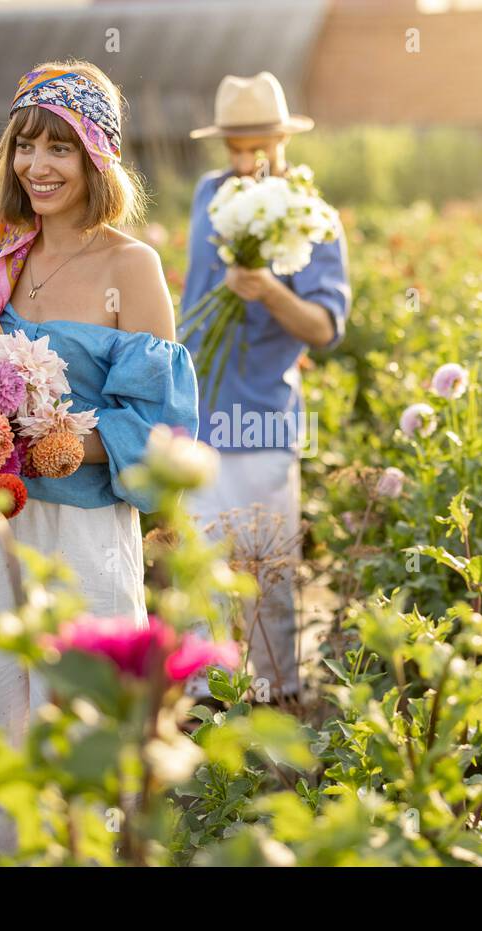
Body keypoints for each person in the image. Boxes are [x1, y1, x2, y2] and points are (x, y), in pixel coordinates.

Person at [0, 60, 199, 855]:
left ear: (97, 158)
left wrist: (60, 445)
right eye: (24, 147)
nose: (37, 167)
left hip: (81, 534)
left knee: (88, 717)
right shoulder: (1, 263)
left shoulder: (131, 267)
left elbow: (162, 423)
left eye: (61, 149)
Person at [180, 72, 351, 705]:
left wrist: (269, 290)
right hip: (196, 412)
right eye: (236, 148)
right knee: (198, 574)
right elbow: (195, 295)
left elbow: (326, 328)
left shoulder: (314, 217)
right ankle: (205, 707)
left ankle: (277, 702)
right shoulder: (206, 195)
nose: (247, 161)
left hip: (261, 421)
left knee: (265, 575)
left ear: (283, 139)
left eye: (260, 147)